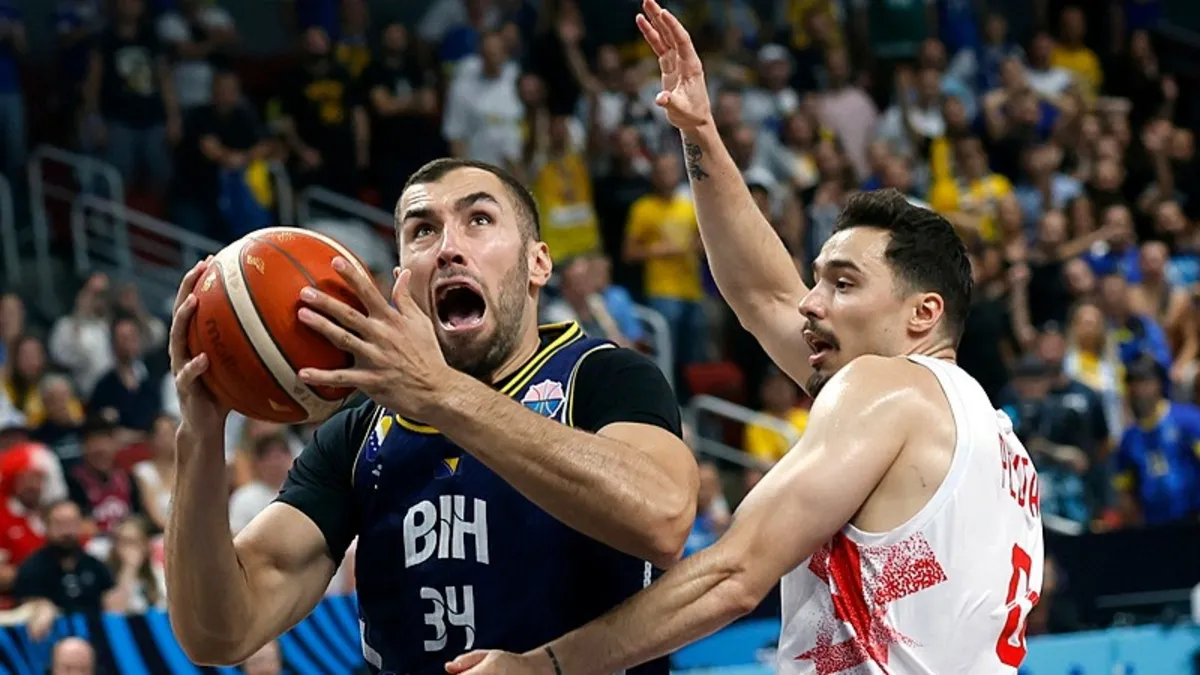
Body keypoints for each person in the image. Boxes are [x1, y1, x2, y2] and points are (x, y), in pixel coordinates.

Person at [446, 3, 1044, 675]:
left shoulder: (888, 387)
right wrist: (700, 130)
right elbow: (766, 298)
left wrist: (546, 665)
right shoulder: (990, 438)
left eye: (843, 283)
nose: (813, 302)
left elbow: (734, 573)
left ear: (921, 313)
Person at [164, 156, 698, 673]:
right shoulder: (359, 434)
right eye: (422, 231)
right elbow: (218, 633)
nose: (447, 249)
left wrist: (442, 394)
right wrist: (202, 438)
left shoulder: (603, 377)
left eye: (479, 220)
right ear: (402, 281)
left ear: (538, 263)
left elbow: (662, 516)